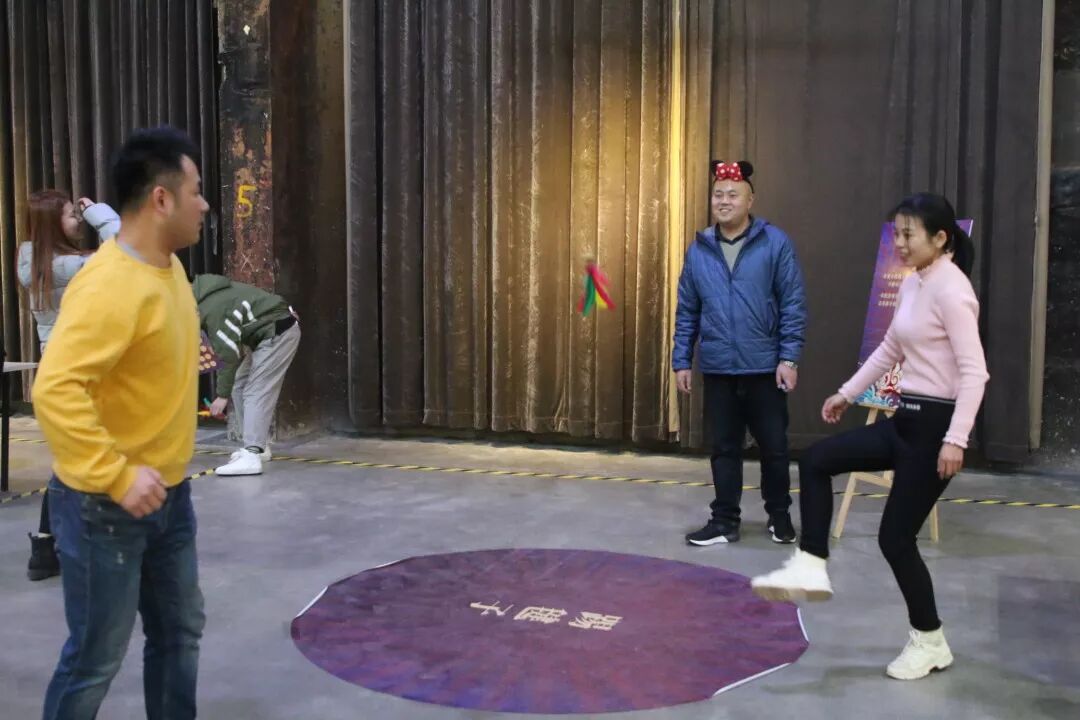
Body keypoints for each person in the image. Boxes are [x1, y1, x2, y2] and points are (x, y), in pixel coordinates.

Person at [751, 193, 989, 681]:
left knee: (895, 540)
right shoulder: (914, 283)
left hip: (935, 430)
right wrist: (847, 393)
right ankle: (812, 561)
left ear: (940, 238)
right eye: (896, 233)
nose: (898, 243)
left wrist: (957, 439)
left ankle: (930, 641)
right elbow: (889, 348)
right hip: (905, 421)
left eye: (908, 234)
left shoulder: (952, 290)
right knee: (817, 460)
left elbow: (975, 372)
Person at [34, 126, 209, 719]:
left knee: (179, 633)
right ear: (162, 199)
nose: (204, 204)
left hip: (169, 495)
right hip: (104, 507)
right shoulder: (108, 284)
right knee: (96, 657)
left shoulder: (168, 268)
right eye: (195, 190)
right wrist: (116, 474)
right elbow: (55, 388)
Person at [673, 160, 807, 546]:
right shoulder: (699, 250)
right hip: (719, 367)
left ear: (751, 200)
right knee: (724, 449)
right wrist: (682, 360)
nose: (724, 201)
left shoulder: (774, 243)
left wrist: (789, 358)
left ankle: (779, 517)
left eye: (733, 194)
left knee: (774, 448)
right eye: (718, 194)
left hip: (765, 366)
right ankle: (724, 521)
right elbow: (687, 309)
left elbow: (793, 303)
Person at [17, 191, 120, 581]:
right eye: (70, 214)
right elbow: (124, 248)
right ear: (51, 222)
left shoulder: (34, 261)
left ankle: (46, 547)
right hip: (81, 374)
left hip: (61, 374)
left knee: (74, 461)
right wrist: (98, 213)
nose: (76, 220)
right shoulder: (65, 265)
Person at [193, 274, 300, 476]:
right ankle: (258, 447)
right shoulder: (207, 295)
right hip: (267, 335)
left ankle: (251, 455)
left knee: (255, 391)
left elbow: (228, 354)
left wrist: (221, 397)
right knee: (239, 385)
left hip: (277, 334)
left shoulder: (212, 309)